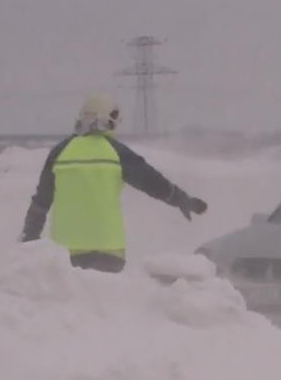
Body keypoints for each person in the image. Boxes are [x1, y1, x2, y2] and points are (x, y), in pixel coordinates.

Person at [19, 94, 208, 272]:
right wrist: (182, 200)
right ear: (108, 120)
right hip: (108, 250)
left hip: (65, 254)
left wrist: (30, 239)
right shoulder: (116, 152)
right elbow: (153, 183)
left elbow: (41, 202)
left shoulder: (60, 152)